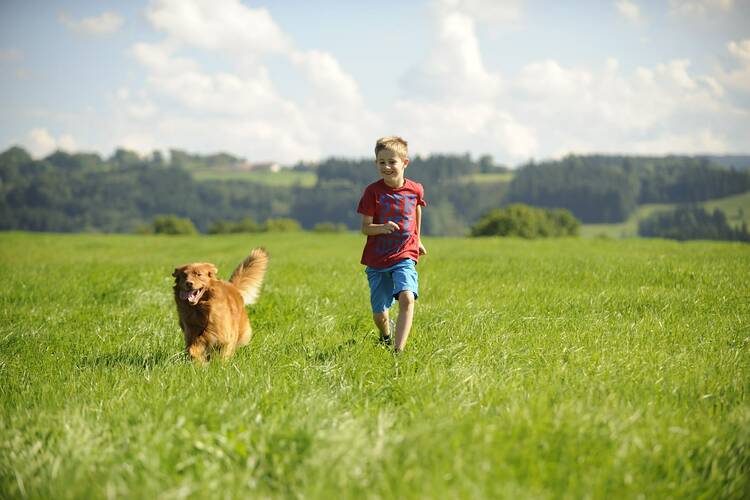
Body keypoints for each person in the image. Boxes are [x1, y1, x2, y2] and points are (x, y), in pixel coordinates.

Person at [357, 136, 427, 353]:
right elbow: (365, 227)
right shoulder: (372, 192)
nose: (386, 167)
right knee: (380, 314)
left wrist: (417, 238)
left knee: (407, 297)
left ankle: (398, 351)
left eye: (392, 162)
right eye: (381, 162)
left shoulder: (415, 189)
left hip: (404, 254)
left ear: (404, 163)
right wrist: (382, 227)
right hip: (377, 260)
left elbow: (417, 209)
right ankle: (385, 335)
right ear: (376, 163)